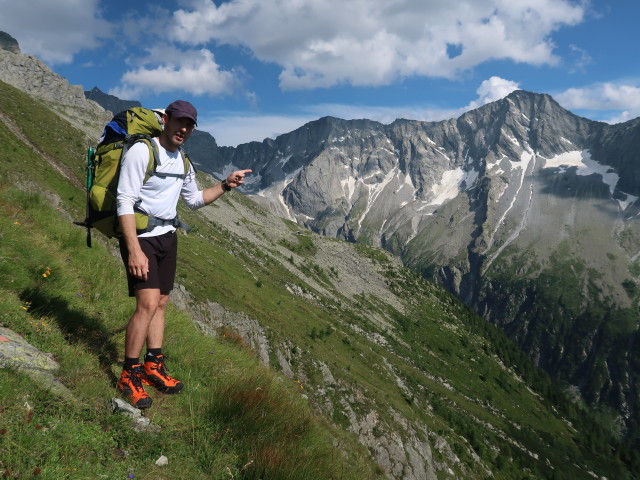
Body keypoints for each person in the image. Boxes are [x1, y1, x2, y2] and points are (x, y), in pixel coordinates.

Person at [116, 100, 251, 408]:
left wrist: (225, 185)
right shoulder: (142, 151)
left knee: (161, 303)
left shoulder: (183, 160)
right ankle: (129, 374)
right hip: (142, 237)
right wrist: (134, 249)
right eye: (179, 122)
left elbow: (194, 200)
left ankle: (154, 365)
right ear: (165, 119)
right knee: (147, 303)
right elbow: (123, 200)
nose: (184, 129)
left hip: (167, 236)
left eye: (190, 125)